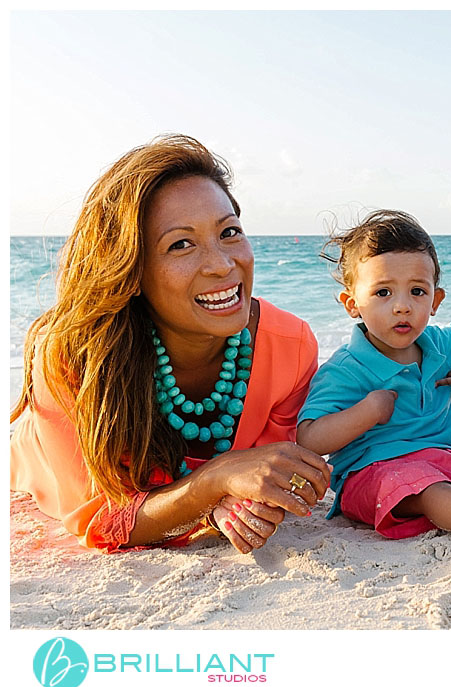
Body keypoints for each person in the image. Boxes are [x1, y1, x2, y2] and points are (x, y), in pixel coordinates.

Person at [10, 135, 331, 554]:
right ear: (130, 268)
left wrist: (240, 496)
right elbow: (102, 519)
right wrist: (213, 482)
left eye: (229, 232)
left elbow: (265, 477)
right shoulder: (74, 358)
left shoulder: (289, 346)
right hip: (36, 472)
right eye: (181, 244)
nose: (221, 264)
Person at [296, 210, 451, 541]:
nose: (402, 306)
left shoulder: (437, 343)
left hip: (444, 462)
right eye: (383, 293)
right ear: (352, 304)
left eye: (417, 291)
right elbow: (309, 438)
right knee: (421, 486)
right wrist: (367, 412)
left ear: (436, 300)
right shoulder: (346, 369)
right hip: (373, 476)